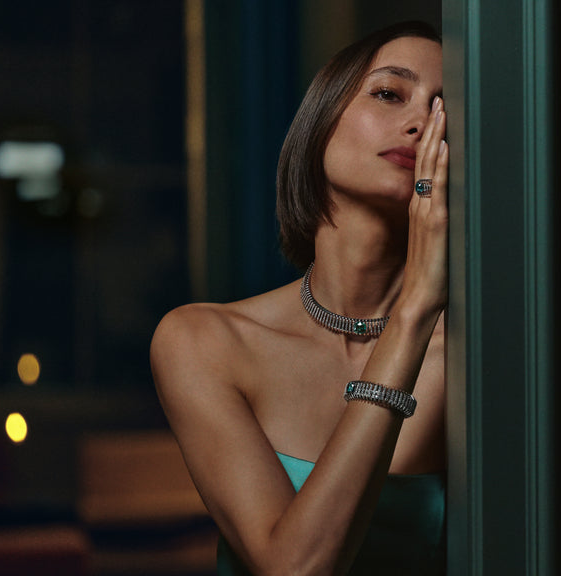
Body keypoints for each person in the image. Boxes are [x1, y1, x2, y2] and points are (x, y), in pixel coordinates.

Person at [150, 21, 448, 575]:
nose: (418, 123)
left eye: (442, 111)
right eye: (389, 93)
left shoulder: (471, 352)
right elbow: (294, 569)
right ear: (320, 121)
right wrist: (411, 314)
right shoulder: (203, 340)